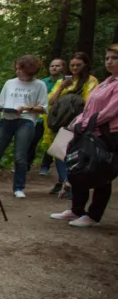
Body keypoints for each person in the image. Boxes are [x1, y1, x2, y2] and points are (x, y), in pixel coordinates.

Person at [50, 44, 118, 227]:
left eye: (114, 58)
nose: (109, 61)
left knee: (100, 171)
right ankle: (76, 209)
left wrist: (86, 123)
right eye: (107, 58)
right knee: (78, 166)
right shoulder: (107, 82)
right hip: (88, 131)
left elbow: (110, 112)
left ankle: (94, 215)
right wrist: (76, 122)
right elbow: (90, 107)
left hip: (107, 134)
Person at [0, 55, 48, 198]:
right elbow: (1, 102)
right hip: (6, 120)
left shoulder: (39, 85)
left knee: (20, 156)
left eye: (21, 70)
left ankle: (18, 187)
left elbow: (43, 107)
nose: (18, 72)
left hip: (25, 121)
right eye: (17, 69)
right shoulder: (10, 83)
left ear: (30, 70)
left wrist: (28, 108)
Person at [44, 52, 100, 198]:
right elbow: (50, 101)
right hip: (60, 121)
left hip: (77, 121)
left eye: (78, 65)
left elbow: (90, 102)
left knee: (73, 154)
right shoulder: (62, 81)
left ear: (85, 65)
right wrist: (61, 88)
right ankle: (64, 181)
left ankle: (70, 183)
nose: (74, 68)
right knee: (59, 152)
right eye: (72, 65)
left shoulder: (91, 81)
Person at [33, 59, 67, 173]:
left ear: (63, 68)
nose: (54, 68)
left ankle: (45, 165)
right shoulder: (42, 82)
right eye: (52, 66)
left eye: (57, 66)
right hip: (41, 116)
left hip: (57, 117)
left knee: (51, 141)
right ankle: (27, 163)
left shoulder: (66, 82)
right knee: (33, 139)